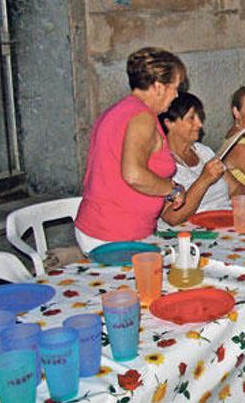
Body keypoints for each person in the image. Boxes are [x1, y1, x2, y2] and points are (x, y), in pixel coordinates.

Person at [75, 47, 187, 253]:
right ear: (159, 87)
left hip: (106, 227)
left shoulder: (121, 110)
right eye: (175, 87)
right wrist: (172, 189)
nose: (176, 95)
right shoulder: (142, 118)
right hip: (115, 233)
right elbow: (134, 175)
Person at [158, 92, 245, 226]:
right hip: (191, 233)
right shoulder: (162, 163)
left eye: (199, 117)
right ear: (169, 123)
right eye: (191, 118)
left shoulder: (203, 152)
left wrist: (240, 208)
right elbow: (172, 218)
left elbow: (237, 189)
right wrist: (204, 179)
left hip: (224, 225)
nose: (200, 124)